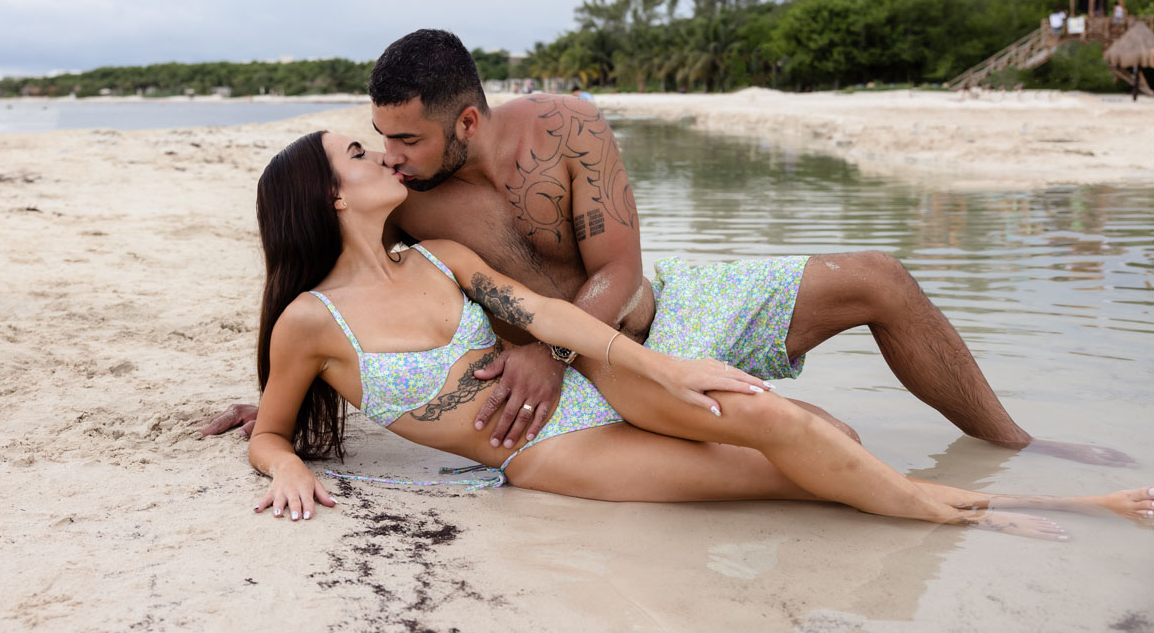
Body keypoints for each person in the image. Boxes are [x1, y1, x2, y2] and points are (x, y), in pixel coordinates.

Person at [204, 29, 1133, 468]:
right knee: (825, 444)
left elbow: (620, 268)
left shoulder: (565, 129)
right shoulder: (401, 203)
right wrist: (284, 399)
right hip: (586, 379)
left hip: (659, 312)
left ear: (469, 120)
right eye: (380, 140)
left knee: (881, 278)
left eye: (406, 139)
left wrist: (548, 348)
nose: (393, 158)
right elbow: (332, 288)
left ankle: (1015, 445)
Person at [247, 130, 1153, 538]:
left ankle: (985, 496)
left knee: (821, 433)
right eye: (358, 154)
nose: (380, 154)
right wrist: (281, 460)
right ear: (329, 196)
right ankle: (1057, 509)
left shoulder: (438, 255)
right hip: (544, 452)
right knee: (794, 476)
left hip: (598, 381)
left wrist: (663, 365)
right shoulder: (312, 322)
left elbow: (549, 317)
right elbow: (273, 431)